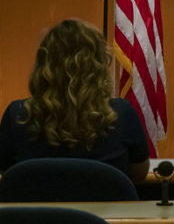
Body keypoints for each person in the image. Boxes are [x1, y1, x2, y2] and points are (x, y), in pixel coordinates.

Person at [0, 19, 150, 182]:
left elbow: (7, 173)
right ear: (98, 66)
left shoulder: (17, 115)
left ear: (44, 64)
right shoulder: (121, 114)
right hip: (105, 207)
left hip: (38, 207)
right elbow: (138, 174)